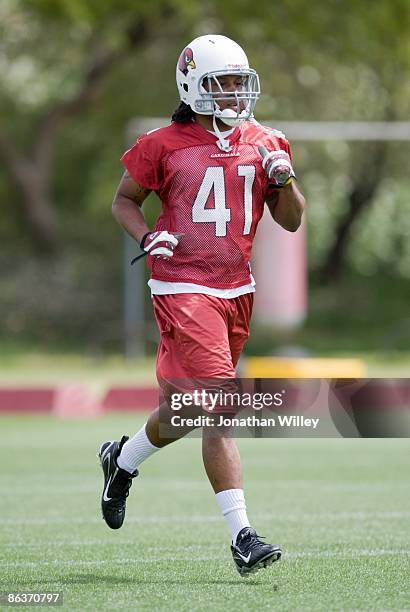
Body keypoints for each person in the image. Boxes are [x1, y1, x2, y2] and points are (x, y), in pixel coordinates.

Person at [98, 34, 305, 577]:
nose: (236, 93)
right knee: (222, 404)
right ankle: (242, 536)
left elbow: (291, 219)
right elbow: (124, 200)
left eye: (241, 81)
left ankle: (120, 462)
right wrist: (145, 237)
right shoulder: (161, 143)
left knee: (182, 412)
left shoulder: (266, 140)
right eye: (224, 82)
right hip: (180, 285)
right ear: (193, 86)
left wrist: (284, 178)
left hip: (236, 288)